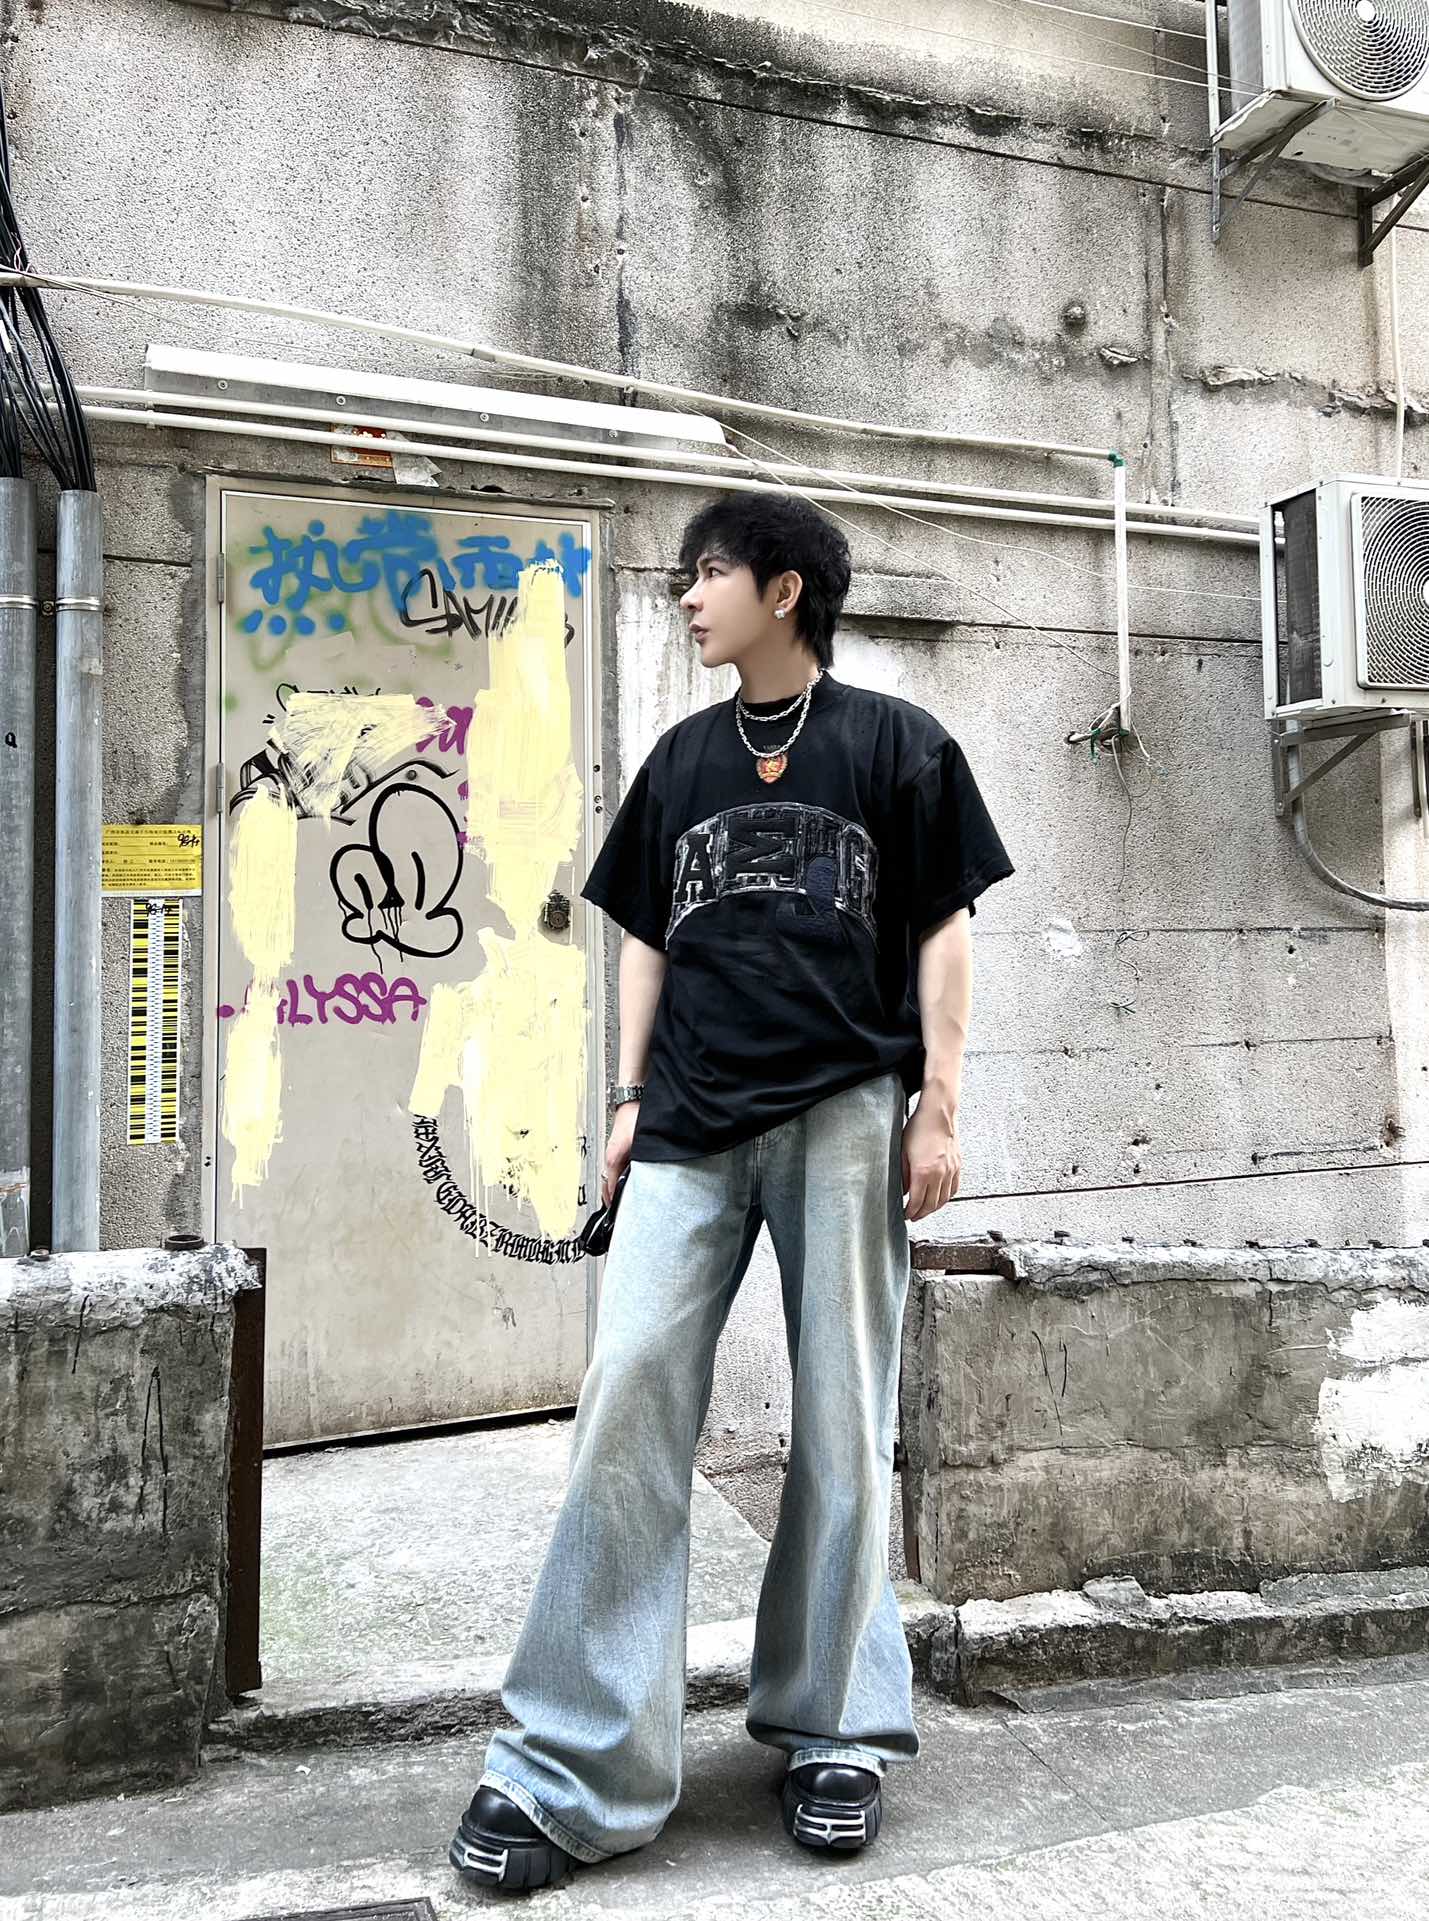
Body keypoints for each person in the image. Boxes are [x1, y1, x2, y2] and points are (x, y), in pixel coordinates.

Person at [450, 492, 1015, 1894]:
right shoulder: (682, 759)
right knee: (627, 1397)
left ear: (784, 589)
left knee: (841, 1415)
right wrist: (626, 1098)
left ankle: (835, 1727)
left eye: (708, 574)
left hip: (845, 1108)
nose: (689, 597)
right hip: (690, 1121)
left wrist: (938, 1106)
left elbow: (942, 931)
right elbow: (645, 936)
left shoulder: (896, 743)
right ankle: (572, 1764)